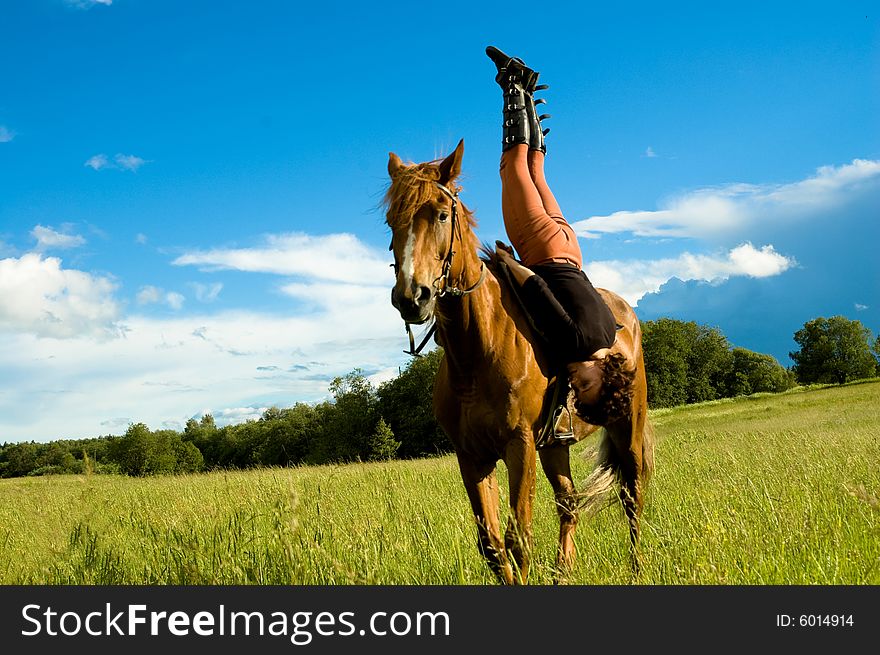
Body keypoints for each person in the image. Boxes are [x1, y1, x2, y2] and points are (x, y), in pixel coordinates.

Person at [485, 46, 635, 426]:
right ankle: (513, 84)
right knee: (512, 166)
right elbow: (536, 287)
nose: (575, 385)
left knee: (536, 170)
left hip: (569, 247)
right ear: (607, 376)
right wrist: (505, 262)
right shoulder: (579, 346)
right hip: (541, 249)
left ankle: (530, 97)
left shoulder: (606, 335)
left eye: (577, 391)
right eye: (585, 387)